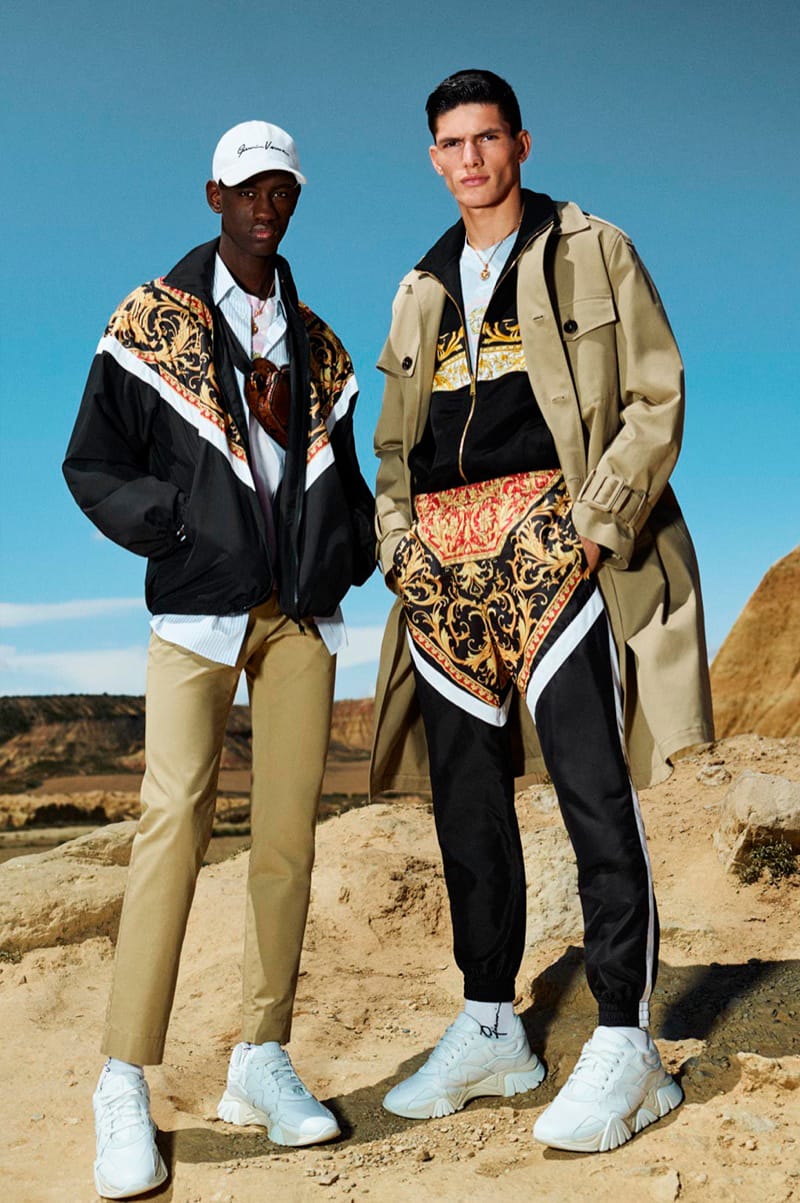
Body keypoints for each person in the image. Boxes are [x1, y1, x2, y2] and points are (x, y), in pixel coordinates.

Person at [370, 70, 713, 1154]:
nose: (469, 159)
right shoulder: (418, 290)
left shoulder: (593, 248)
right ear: (433, 158)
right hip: (445, 568)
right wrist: (399, 548)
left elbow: (655, 393)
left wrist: (597, 525)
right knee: (467, 807)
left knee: (589, 789)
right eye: (450, 144)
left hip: (556, 549)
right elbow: (391, 447)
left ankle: (625, 1039)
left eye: (486, 138)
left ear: (520, 144)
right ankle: (490, 1025)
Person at [64, 120, 374, 1198]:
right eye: (247, 189)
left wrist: (346, 556)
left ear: (294, 199)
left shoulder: (320, 344)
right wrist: (179, 527)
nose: (264, 206)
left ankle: (261, 1055)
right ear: (214, 196)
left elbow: (344, 481)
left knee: (285, 836)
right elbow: (91, 461)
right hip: (198, 610)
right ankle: (122, 1079)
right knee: (173, 822)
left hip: (298, 619)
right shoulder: (148, 320)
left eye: (280, 189)